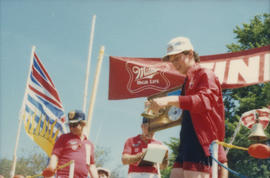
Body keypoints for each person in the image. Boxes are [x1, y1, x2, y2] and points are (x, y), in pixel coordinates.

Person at [146, 37, 228, 178]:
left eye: (177, 59)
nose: (174, 64)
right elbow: (185, 111)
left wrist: (168, 100)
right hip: (187, 142)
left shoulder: (205, 74)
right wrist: (159, 113)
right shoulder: (188, 80)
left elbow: (204, 102)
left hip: (202, 143)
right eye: (172, 61)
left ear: (190, 54)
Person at [43, 110, 98, 178]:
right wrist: (51, 167)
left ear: (83, 124)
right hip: (64, 176)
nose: (71, 128)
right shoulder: (63, 138)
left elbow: (91, 165)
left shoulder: (89, 144)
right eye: (70, 125)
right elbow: (55, 155)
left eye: (74, 125)